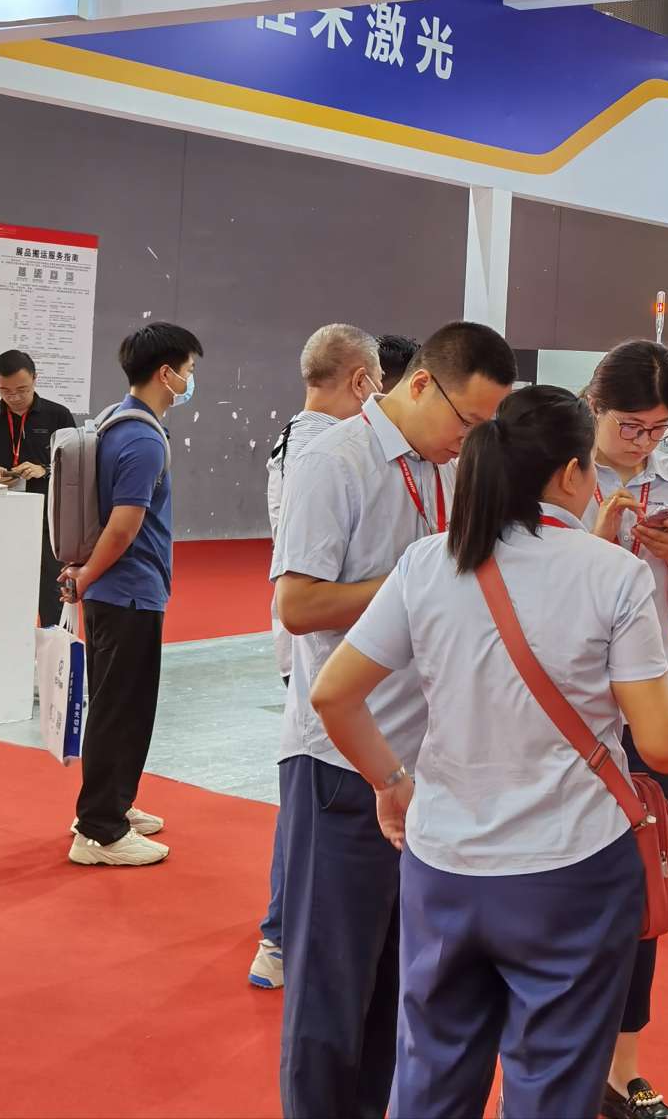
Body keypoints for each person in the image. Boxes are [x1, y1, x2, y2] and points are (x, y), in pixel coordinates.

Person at [310, 386, 668, 1119]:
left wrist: (391, 782)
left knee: (430, 1076)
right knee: (553, 1083)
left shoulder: (429, 562)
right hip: (571, 866)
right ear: (573, 473)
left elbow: (333, 695)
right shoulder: (611, 573)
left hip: (442, 861)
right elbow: (664, 746)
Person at [272, 321, 516, 1119]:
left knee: (396, 988)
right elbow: (298, 604)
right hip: (342, 763)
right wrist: (414, 587)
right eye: (468, 421)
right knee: (330, 992)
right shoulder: (334, 462)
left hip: (424, 771)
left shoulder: (450, 471)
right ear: (418, 385)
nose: (470, 441)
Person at [582, 340, 668, 1119]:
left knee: (644, 889)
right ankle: (555, 1058)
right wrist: (599, 539)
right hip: (575, 710)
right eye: (630, 427)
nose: (643, 444)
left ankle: (622, 1071)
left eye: (659, 429)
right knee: (563, 883)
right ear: (595, 406)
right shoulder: (561, 470)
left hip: (652, 705)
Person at [250, 325, 384, 992]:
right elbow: (302, 596)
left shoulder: (294, 437)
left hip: (311, 644)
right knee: (308, 799)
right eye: (379, 386)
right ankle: (280, 935)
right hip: (319, 645)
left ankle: (283, 931)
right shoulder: (329, 453)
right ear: (362, 381)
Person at [64, 321, 202, 867]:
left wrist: (86, 576)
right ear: (166, 374)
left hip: (116, 591)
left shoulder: (115, 421)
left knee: (117, 704)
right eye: (188, 370)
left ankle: (113, 803)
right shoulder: (143, 438)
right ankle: (99, 830)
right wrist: (86, 578)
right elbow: (123, 526)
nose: (190, 380)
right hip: (127, 593)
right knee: (121, 710)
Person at [0, 349, 76, 627]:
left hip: (48, 520)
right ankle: (5, 644)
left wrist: (45, 470)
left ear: (35, 379)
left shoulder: (58, 416)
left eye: (21, 390)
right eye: (5, 391)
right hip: (1, 518)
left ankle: (54, 646)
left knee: (51, 592)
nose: (14, 397)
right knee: (4, 589)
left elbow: (75, 467)